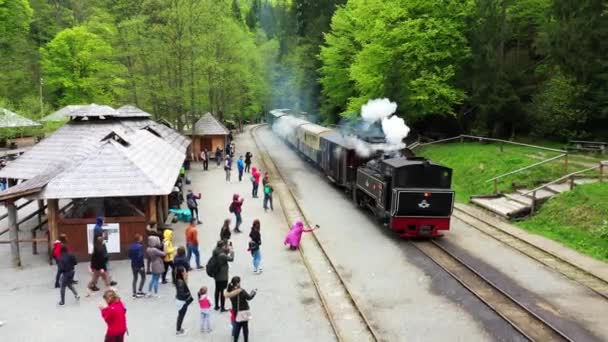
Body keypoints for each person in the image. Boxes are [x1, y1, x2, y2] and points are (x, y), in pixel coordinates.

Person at [224, 276, 257, 342]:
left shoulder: (230, 291)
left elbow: (227, 291)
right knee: (245, 327)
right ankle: (246, 340)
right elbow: (249, 297)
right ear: (238, 283)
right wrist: (253, 292)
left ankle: (235, 340)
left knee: (237, 328)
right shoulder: (241, 291)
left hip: (236, 311)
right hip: (244, 311)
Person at [212, 240, 234, 312]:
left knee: (217, 290)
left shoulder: (215, 251)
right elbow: (231, 259)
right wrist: (232, 252)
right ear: (222, 246)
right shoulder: (222, 255)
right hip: (223, 276)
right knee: (223, 291)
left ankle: (216, 306)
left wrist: (227, 249)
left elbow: (224, 252)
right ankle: (222, 307)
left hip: (216, 274)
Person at [175, 266, 194, 336]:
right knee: (181, 316)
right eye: (185, 271)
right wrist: (187, 299)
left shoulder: (178, 279)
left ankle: (179, 328)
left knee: (180, 315)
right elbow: (182, 293)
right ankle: (178, 330)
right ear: (182, 272)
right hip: (182, 302)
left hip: (179, 301)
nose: (186, 272)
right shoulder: (180, 282)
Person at [128, 234, 146, 298]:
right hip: (139, 265)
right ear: (139, 239)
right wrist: (142, 266)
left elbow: (129, 256)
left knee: (135, 278)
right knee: (143, 277)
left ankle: (134, 293)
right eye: (141, 237)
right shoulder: (140, 247)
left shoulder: (131, 246)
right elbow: (140, 257)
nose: (142, 238)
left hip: (133, 264)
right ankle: (140, 290)